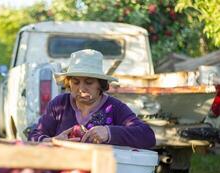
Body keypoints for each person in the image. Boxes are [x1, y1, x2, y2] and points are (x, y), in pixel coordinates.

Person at [28, 49, 156, 149]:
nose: (81, 88)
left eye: (89, 82)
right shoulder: (59, 104)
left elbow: (148, 136)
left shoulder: (114, 108)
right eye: (76, 82)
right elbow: (33, 136)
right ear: (69, 84)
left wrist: (109, 132)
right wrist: (53, 141)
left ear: (100, 85)